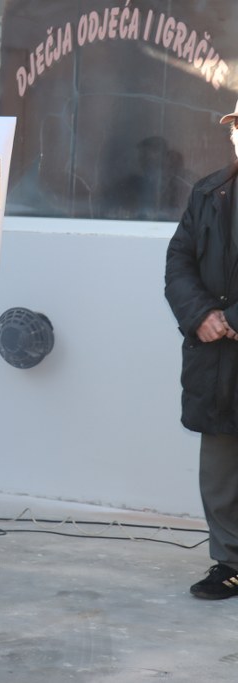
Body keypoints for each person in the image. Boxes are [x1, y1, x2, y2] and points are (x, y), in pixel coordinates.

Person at [165, 98, 238, 600]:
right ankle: (230, 562)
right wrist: (201, 315)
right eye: (237, 127)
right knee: (220, 469)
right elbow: (178, 262)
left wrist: (231, 320)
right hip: (216, 360)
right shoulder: (209, 191)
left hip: (225, 335)